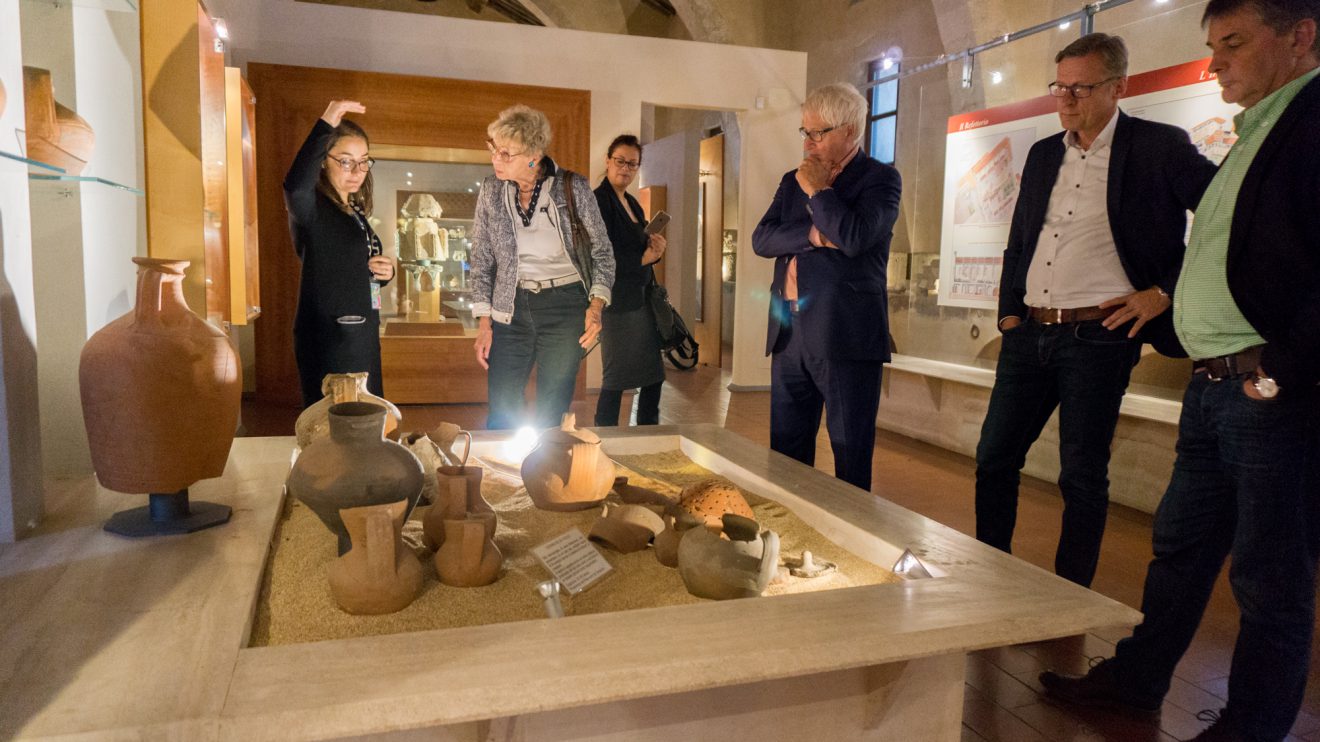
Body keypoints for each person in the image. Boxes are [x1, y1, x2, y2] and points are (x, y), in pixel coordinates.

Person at [1040, 2, 1320, 739]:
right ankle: (1136, 682)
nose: (1216, 62)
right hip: (1214, 385)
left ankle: (1252, 727)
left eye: (1233, 43)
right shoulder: (1258, 130)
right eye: (1211, 45)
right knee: (1179, 551)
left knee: (1269, 582)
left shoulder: (1311, 124)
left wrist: (1281, 371)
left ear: (1302, 36)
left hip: (1269, 392)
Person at [974, 33, 1218, 587]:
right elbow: (1020, 241)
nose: (1066, 99)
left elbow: (1223, 219)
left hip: (1099, 337)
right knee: (994, 458)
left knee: (1081, 474)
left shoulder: (1158, 146)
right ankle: (988, 573)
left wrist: (1164, 291)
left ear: (1117, 87)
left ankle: (1069, 590)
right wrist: (1010, 315)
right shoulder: (1042, 154)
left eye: (1081, 88)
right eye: (1060, 86)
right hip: (1030, 330)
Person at [751, 82, 901, 492]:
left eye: (819, 132)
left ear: (850, 130)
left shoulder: (880, 180)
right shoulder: (791, 179)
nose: (809, 142)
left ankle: (852, 543)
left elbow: (853, 236)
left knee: (850, 459)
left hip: (845, 335)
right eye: (805, 131)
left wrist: (820, 191)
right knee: (785, 456)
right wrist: (816, 236)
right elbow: (762, 239)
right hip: (789, 333)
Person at [470, 105, 615, 431]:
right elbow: (481, 258)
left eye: (506, 154)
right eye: (493, 149)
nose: (496, 160)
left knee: (553, 409)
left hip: (564, 306)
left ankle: (546, 476)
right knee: (502, 408)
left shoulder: (572, 187)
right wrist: (484, 322)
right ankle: (499, 477)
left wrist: (595, 307)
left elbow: (603, 253)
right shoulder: (491, 190)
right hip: (511, 308)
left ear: (534, 155)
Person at [284, 100, 397, 407]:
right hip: (331, 337)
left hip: (361, 335)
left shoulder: (353, 210)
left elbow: (352, 265)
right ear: (323, 160)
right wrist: (326, 122)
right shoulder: (313, 209)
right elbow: (294, 187)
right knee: (337, 424)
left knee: (368, 419)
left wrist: (384, 273)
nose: (357, 171)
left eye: (363, 162)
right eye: (346, 161)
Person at [592, 135, 668, 427]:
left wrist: (655, 251)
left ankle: (648, 439)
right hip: (616, 302)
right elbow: (600, 256)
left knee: (654, 376)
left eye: (632, 164)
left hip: (642, 298)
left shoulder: (633, 203)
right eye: (620, 161)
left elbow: (640, 250)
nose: (625, 168)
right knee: (615, 378)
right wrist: (644, 259)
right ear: (608, 161)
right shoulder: (599, 202)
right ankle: (604, 442)